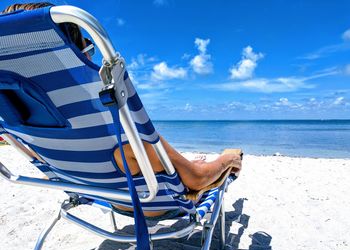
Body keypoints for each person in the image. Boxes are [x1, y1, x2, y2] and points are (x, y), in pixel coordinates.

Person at [2, 3, 242, 213]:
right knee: (206, 164)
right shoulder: (110, 124)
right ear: (73, 56)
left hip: (105, 196)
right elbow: (198, 179)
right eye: (88, 49)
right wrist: (227, 158)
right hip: (151, 207)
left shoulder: (22, 127)